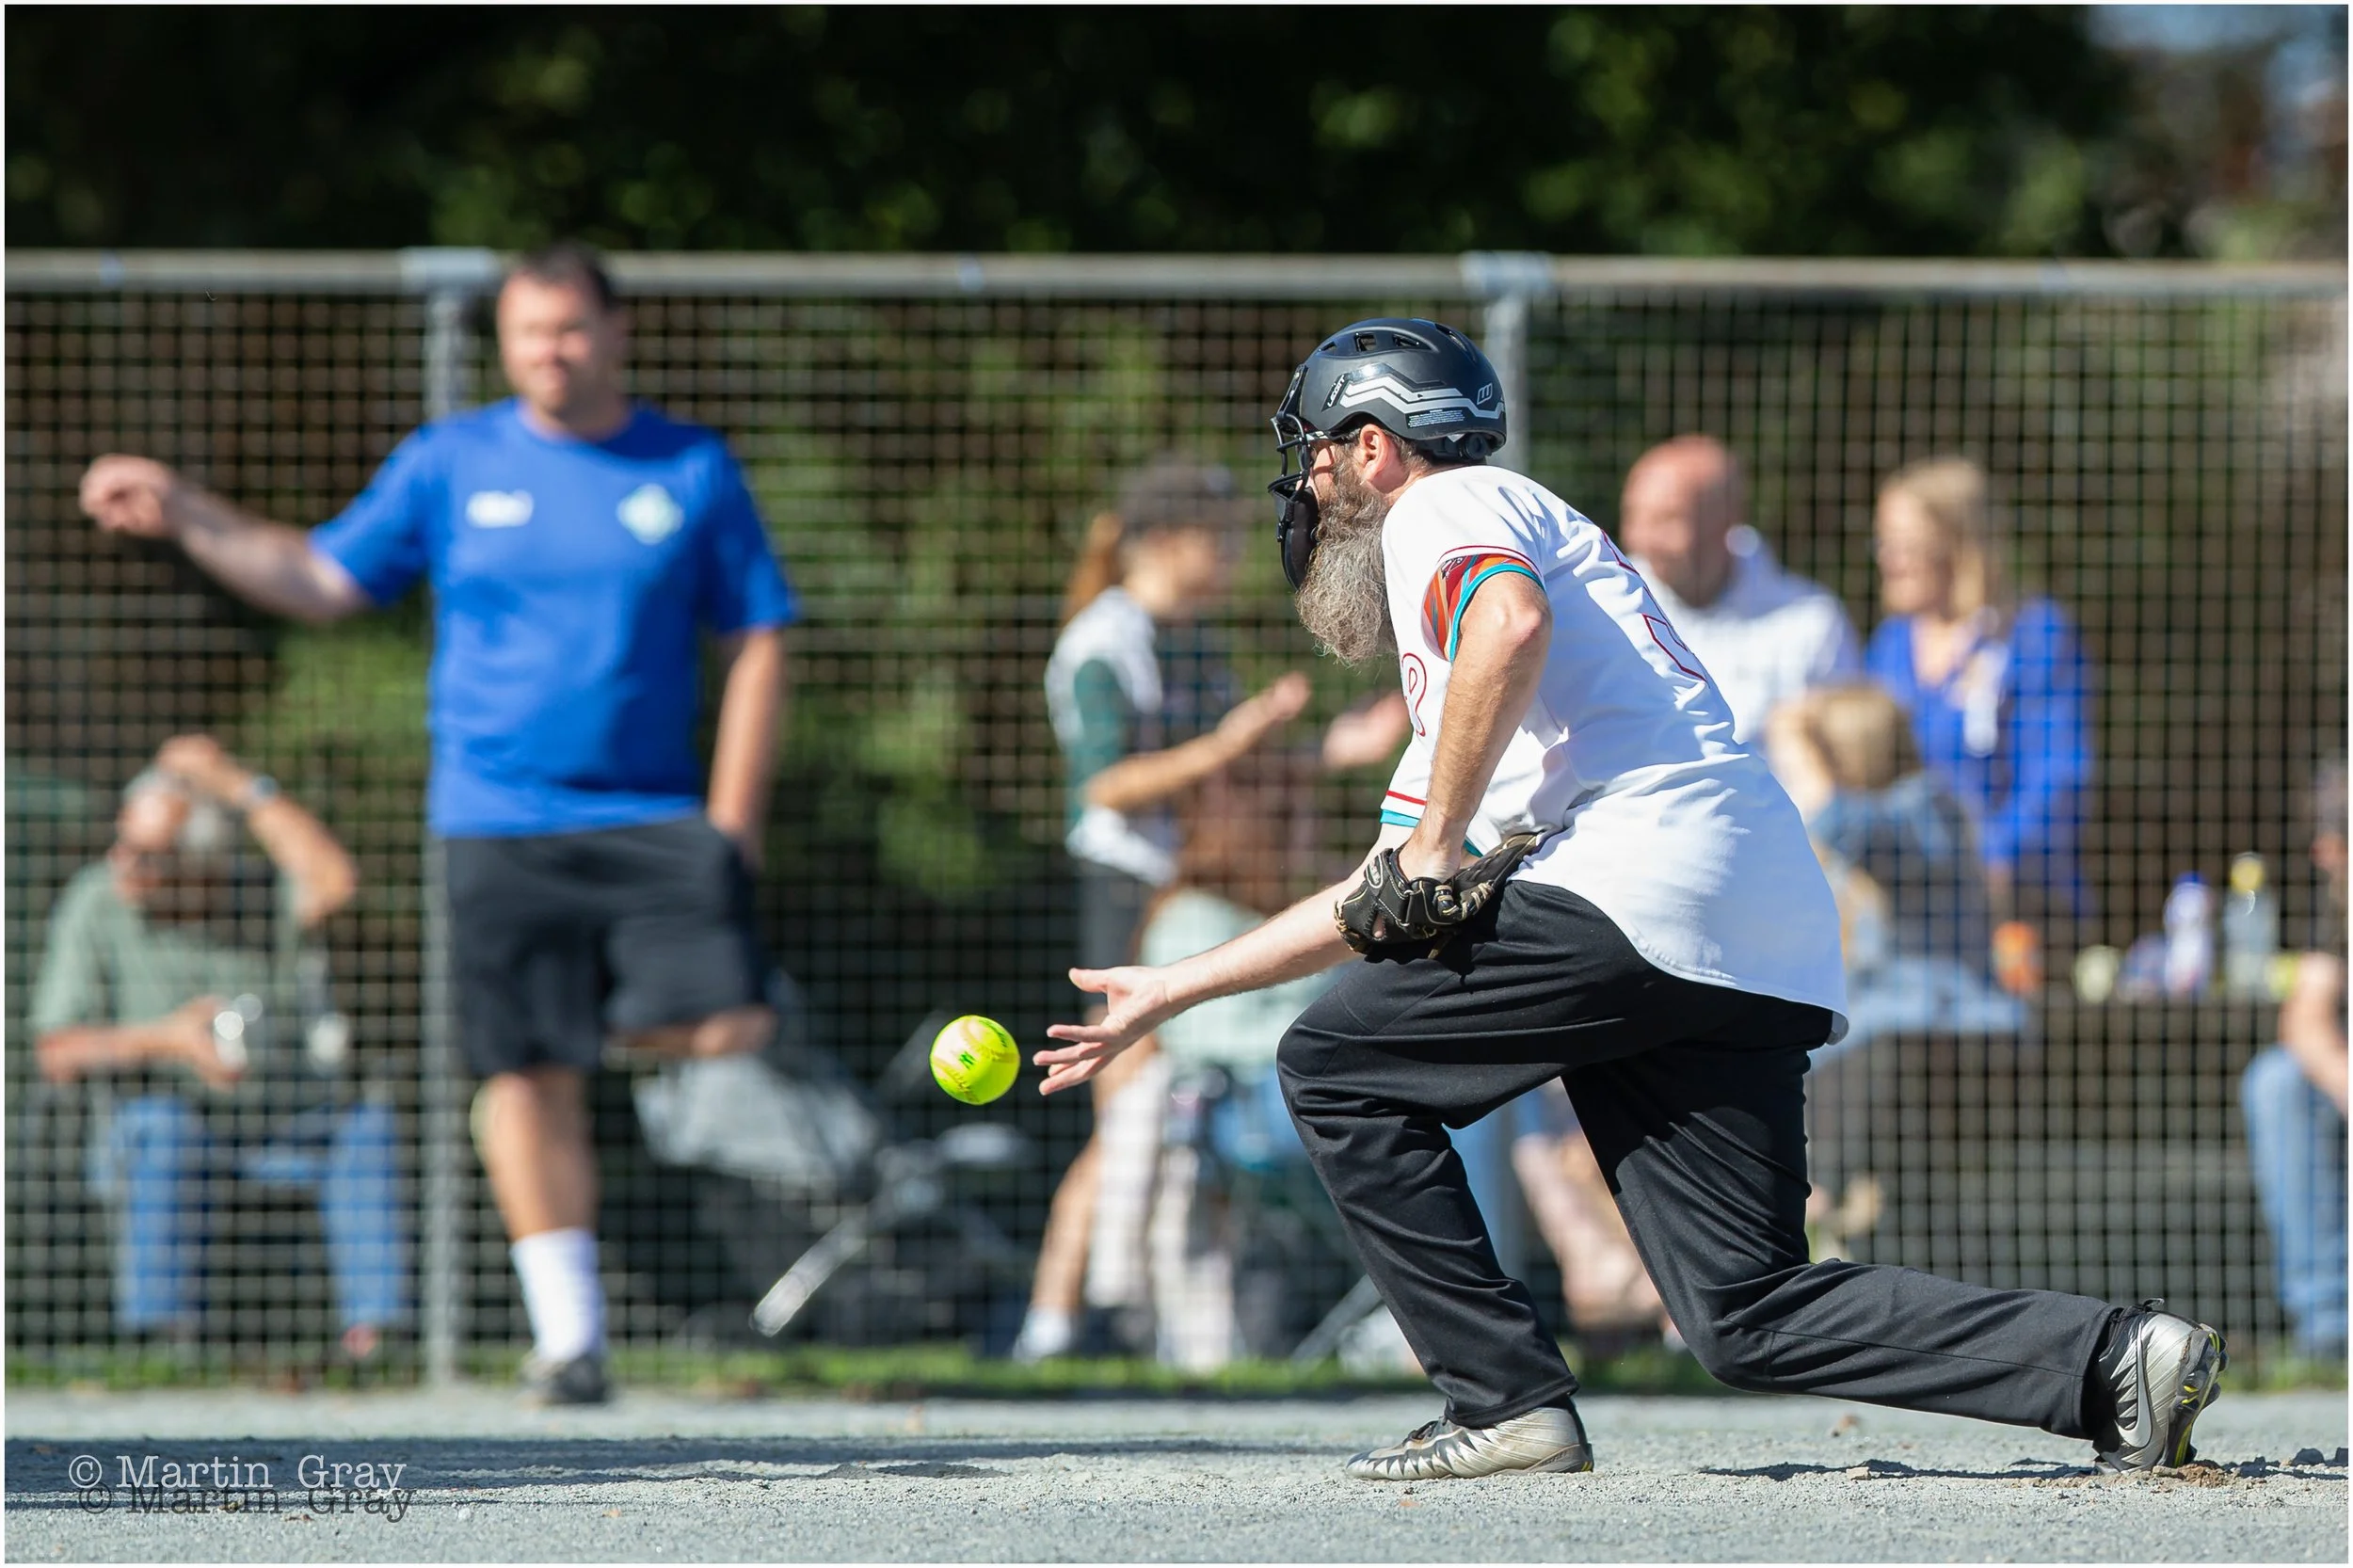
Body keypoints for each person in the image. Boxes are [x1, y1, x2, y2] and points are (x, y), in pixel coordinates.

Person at [1038, 317, 2225, 1480]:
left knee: (1334, 1067)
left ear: (1374, 447)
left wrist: (1442, 840)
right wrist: (1174, 989)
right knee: (1745, 1307)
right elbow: (1377, 884)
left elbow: (1508, 629)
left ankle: (1502, 1403)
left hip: (1635, 874)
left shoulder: (1440, 509)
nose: (1307, 487)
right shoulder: (1468, 649)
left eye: (1317, 452)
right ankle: (2116, 1359)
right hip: (1749, 909)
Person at [76, 241, 797, 1406]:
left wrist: (733, 820)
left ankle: (587, 1029)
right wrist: (186, 512)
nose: (548, 354)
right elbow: (318, 578)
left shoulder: (691, 468)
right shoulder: (452, 461)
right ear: (502, 344)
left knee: (726, 1022)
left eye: (568, 330)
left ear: (615, 334)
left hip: (658, 813)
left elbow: (760, 635)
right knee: (524, 1076)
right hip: (495, 819)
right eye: (526, 334)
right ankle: (572, 1341)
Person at [1015, 457, 1407, 1361]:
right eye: (1219, 538)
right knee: (1124, 1105)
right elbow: (1106, 787)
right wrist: (1226, 743)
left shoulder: (1193, 637)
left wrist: (1321, 756)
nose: (1236, 556)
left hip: (1191, 892)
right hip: (1127, 891)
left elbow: (1235, 775)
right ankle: (1063, 1319)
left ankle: (1110, 1322)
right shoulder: (1102, 644)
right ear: (1161, 542)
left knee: (1152, 1109)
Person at [31, 735, 406, 1360]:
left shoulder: (260, 892)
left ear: (204, 866)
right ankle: (163, 1347)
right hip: (174, 1119)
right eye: (122, 843)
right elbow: (57, 1050)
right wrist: (167, 1040)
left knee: (365, 1126)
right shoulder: (97, 900)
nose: (125, 864)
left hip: (290, 1117)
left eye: (150, 857)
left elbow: (335, 882)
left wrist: (237, 784)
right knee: (163, 1128)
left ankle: (375, 1342)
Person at [1865, 456, 2092, 939]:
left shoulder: (2032, 635)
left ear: (1956, 544)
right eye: (1884, 542)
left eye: (1905, 544)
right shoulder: (1889, 646)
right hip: (1906, 906)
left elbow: (2058, 774)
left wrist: (1991, 863)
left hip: (2016, 906)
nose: (1888, 558)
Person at [1764, 682, 2025, 1052]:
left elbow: (1837, 820)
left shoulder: (1926, 807)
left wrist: (1804, 759)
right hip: (1888, 1031)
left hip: (1947, 1025)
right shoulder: (1879, 819)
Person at [1617, 435, 1861, 744]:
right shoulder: (1612, 609)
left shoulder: (1814, 623)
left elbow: (1848, 759)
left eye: (1667, 519)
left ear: (1727, 521)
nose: (1643, 540)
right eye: (1634, 517)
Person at [2240, 761, 2347, 1360]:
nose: (2325, 857)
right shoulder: (2339, 904)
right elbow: (2305, 1017)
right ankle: (2330, 1327)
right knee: (2278, 1080)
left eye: (2337, 842)